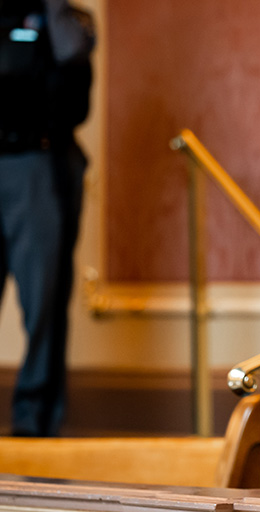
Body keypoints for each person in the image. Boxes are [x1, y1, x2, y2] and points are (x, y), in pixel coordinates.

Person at [0, 0, 94, 437]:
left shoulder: (60, 17)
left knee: (44, 300)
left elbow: (73, 79)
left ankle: (33, 420)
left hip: (37, 163)